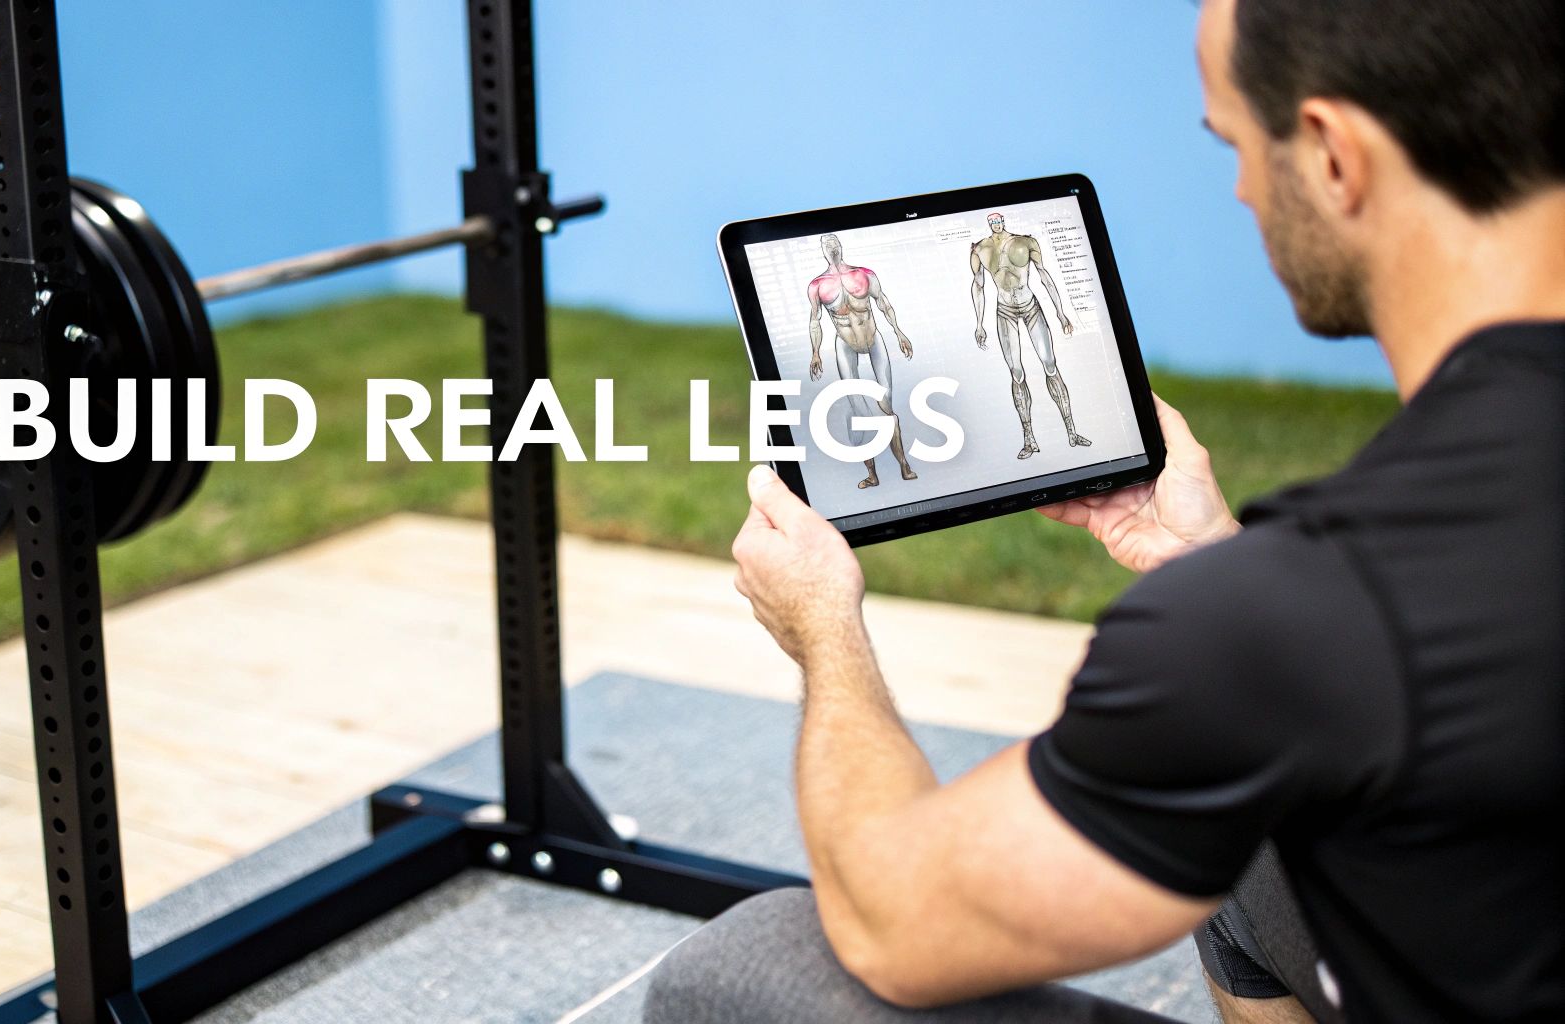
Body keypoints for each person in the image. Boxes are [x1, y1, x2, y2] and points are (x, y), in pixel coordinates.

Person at [643, 0, 1564, 1021]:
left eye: (1237, 148)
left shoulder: (1304, 617)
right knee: (1258, 794)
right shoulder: (1367, 590)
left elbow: (889, 919)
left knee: (740, 971)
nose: (1242, 190)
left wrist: (822, 631)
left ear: (1333, 158)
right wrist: (1214, 561)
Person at [970, 212, 1090, 459]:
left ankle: (1071, 431)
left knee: (1050, 365)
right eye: (992, 221)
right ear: (989, 224)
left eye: (998, 220)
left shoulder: (1026, 242)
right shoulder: (979, 249)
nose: (996, 224)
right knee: (1017, 372)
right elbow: (978, 285)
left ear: (1003, 221)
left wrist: (1060, 312)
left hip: (1030, 306)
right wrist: (979, 322)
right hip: (1004, 311)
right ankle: (1029, 439)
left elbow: (1044, 274)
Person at [806, 233, 919, 488]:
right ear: (823, 250)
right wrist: (815, 352)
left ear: (840, 246)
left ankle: (904, 465)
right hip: (844, 343)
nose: (832, 247)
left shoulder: (863, 273)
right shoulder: (818, 285)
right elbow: (815, 320)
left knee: (887, 407)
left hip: (872, 338)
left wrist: (899, 332)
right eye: (827, 245)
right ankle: (872, 473)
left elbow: (883, 303)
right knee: (858, 409)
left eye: (834, 243)